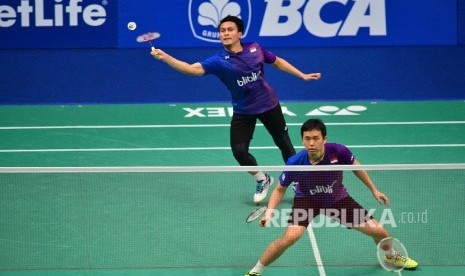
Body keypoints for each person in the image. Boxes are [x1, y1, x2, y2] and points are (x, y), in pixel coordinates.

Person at [150, 15, 321, 204]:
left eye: (230, 30)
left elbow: (278, 62)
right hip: (244, 110)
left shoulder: (255, 49)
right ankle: (263, 179)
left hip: (269, 104)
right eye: (222, 31)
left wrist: (302, 75)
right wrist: (165, 57)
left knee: (284, 144)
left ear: (240, 33)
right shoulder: (218, 61)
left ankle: (298, 181)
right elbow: (191, 69)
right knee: (239, 151)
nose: (225, 33)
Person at [245, 118, 418, 276]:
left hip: (337, 200)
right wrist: (270, 212)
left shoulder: (338, 151)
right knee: (290, 237)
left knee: (380, 231)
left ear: (324, 139)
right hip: (307, 201)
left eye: (315, 138)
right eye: (307, 139)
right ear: (302, 140)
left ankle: (390, 256)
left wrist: (374, 189)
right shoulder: (295, 162)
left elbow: (356, 168)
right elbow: (279, 189)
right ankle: (256, 271)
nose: (311, 143)